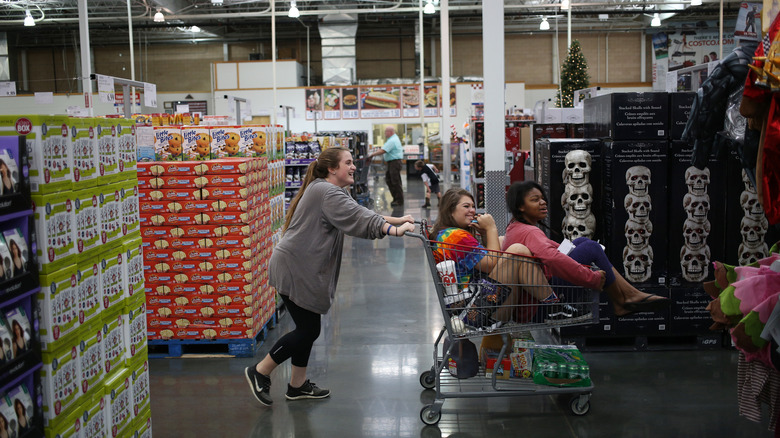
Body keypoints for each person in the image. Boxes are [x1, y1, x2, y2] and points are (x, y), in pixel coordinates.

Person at [245, 146, 415, 407]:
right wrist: (393, 231)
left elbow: (359, 213)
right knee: (308, 330)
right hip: (295, 268)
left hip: (301, 267)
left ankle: (297, 385)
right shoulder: (326, 192)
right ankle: (261, 370)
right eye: (348, 162)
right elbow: (359, 218)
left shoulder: (328, 190)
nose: (354, 166)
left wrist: (397, 218)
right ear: (332, 169)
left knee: (307, 328)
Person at [502, 181, 671, 317]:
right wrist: (591, 277)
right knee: (591, 247)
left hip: (532, 296)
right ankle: (623, 299)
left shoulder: (515, 228)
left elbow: (550, 253)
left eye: (542, 198)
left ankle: (628, 295)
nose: (543, 202)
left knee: (583, 241)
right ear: (521, 207)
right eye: (534, 200)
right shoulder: (529, 231)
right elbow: (552, 258)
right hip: (540, 302)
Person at [430, 188, 562, 324]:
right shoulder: (457, 237)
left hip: (472, 301)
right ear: (450, 210)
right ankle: (553, 306)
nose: (472, 210)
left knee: (500, 240)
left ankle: (542, 300)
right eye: (466, 206)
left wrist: (486, 235)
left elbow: (488, 263)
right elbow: (492, 265)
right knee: (518, 250)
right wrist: (491, 228)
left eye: (473, 206)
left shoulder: (445, 234)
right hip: (474, 312)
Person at [368, 126, 404, 206]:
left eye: (386, 132)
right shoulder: (392, 139)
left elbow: (383, 150)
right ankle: (396, 199)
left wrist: (372, 155)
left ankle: (399, 200)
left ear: (390, 132)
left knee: (395, 181)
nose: (385, 133)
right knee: (389, 180)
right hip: (392, 163)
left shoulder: (392, 140)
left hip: (394, 163)